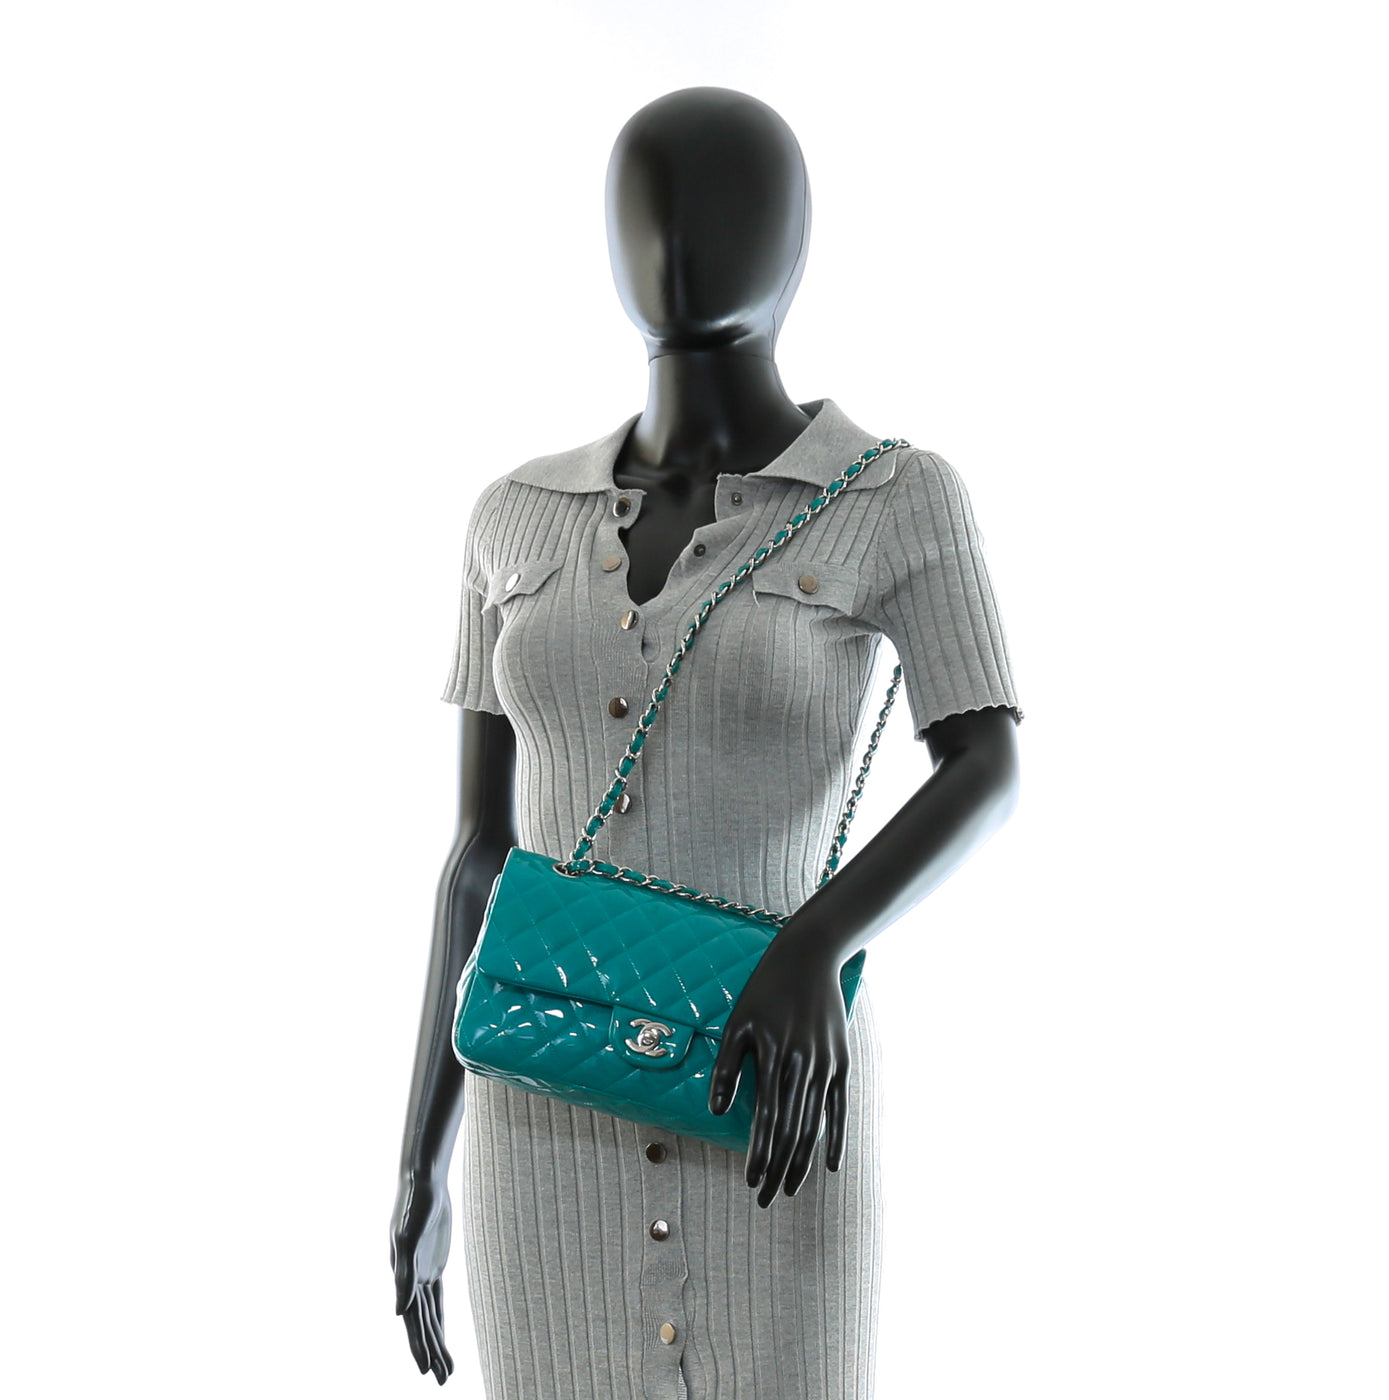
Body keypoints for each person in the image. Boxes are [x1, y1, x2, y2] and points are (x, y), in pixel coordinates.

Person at [391, 85, 1023, 1399]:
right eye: (645, 211)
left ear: (795, 241)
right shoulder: (511, 519)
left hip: (778, 1098)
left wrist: (818, 941)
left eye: (725, 210)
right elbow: (476, 856)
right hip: (537, 1130)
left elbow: (986, 764)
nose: (679, 245)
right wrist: (419, 1161)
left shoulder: (897, 498)